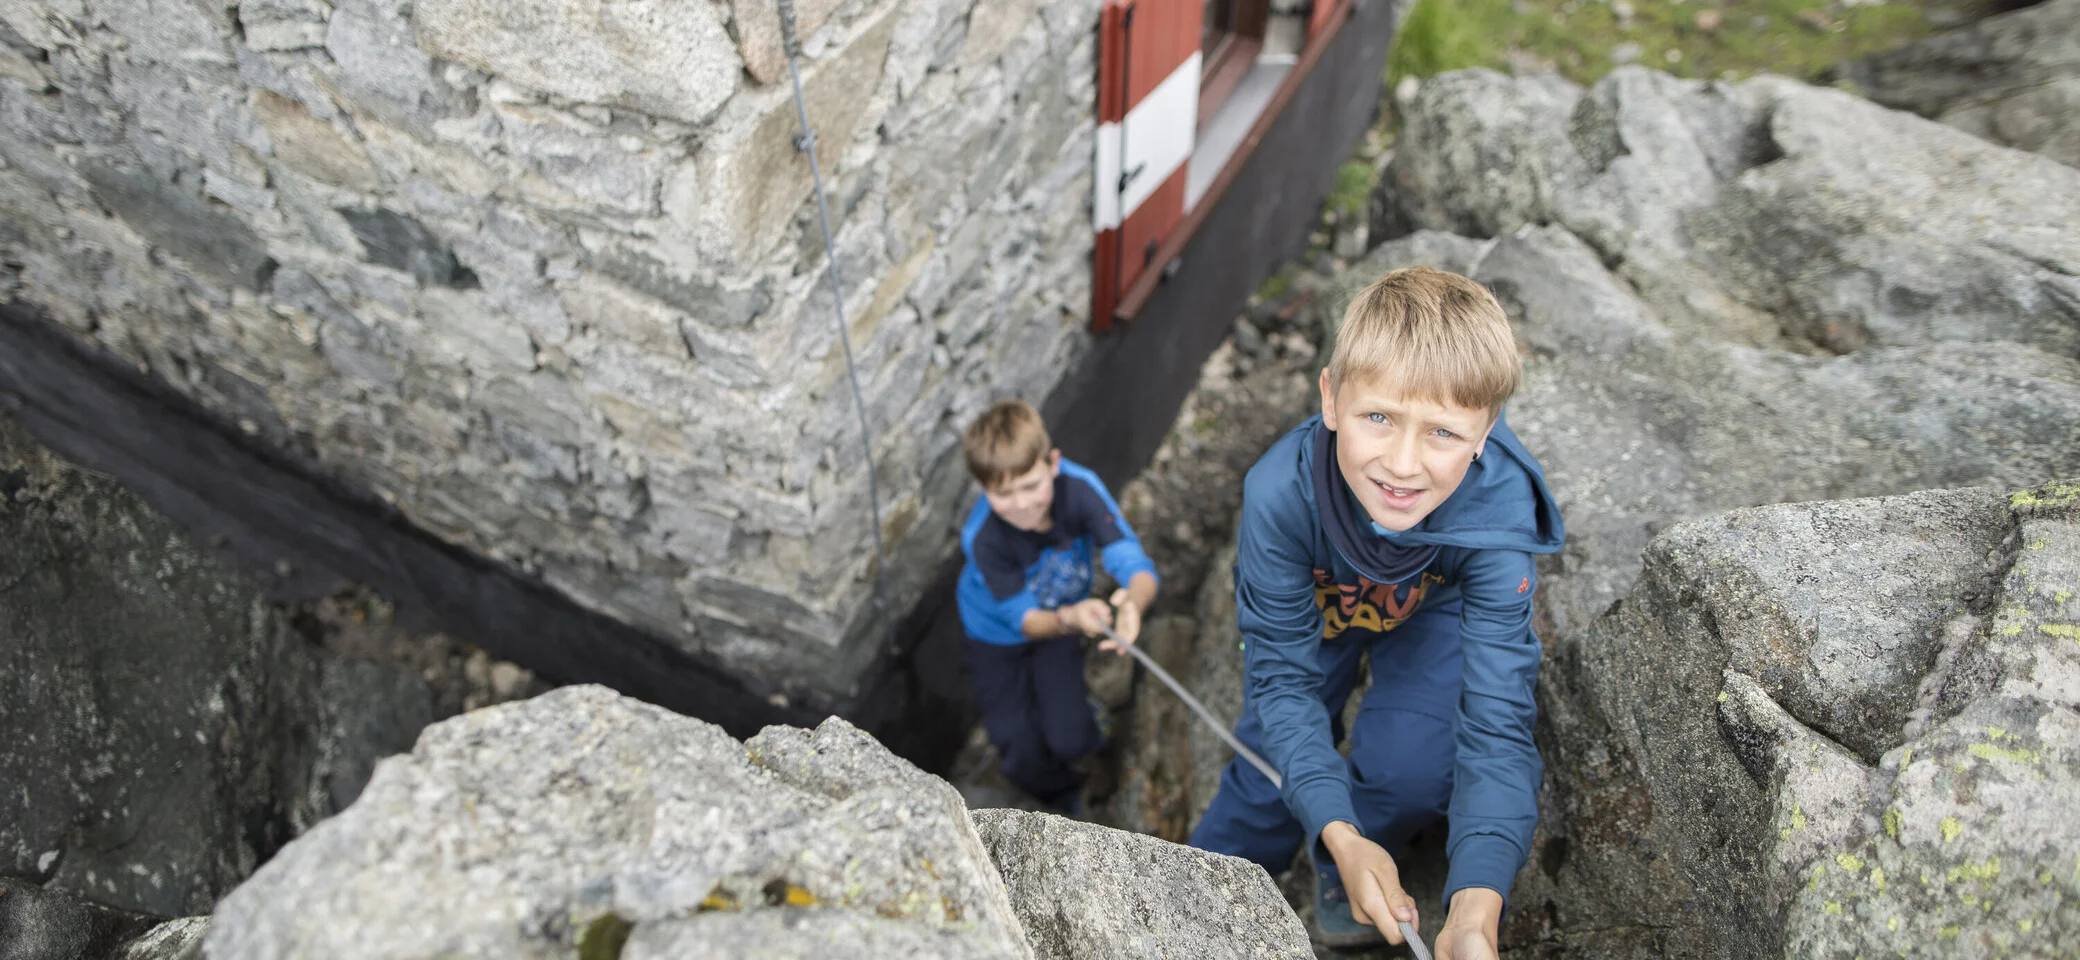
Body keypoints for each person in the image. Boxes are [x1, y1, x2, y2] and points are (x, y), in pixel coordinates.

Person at [1187, 267, 1564, 957]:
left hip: (1434, 601)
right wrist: (1337, 822)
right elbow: (1283, 682)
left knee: (1410, 771)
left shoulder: (1493, 528)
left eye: (1444, 433)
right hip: (1321, 596)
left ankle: (1351, 870)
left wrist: (1476, 904)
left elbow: (1497, 728)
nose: (1402, 464)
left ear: (1487, 432)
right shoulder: (1282, 495)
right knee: (1266, 770)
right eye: (1379, 417)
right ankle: (1187, 901)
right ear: (1330, 398)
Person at [955, 399, 1159, 811]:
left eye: (1030, 485)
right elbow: (1026, 620)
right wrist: (1072, 618)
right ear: (984, 489)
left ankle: (1088, 739)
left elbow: (1133, 563)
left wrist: (1133, 604)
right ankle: (1061, 796)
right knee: (1017, 748)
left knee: (1071, 736)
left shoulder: (1079, 489)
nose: (1022, 505)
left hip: (1061, 623)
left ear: (1053, 463)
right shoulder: (985, 538)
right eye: (1003, 493)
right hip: (994, 637)